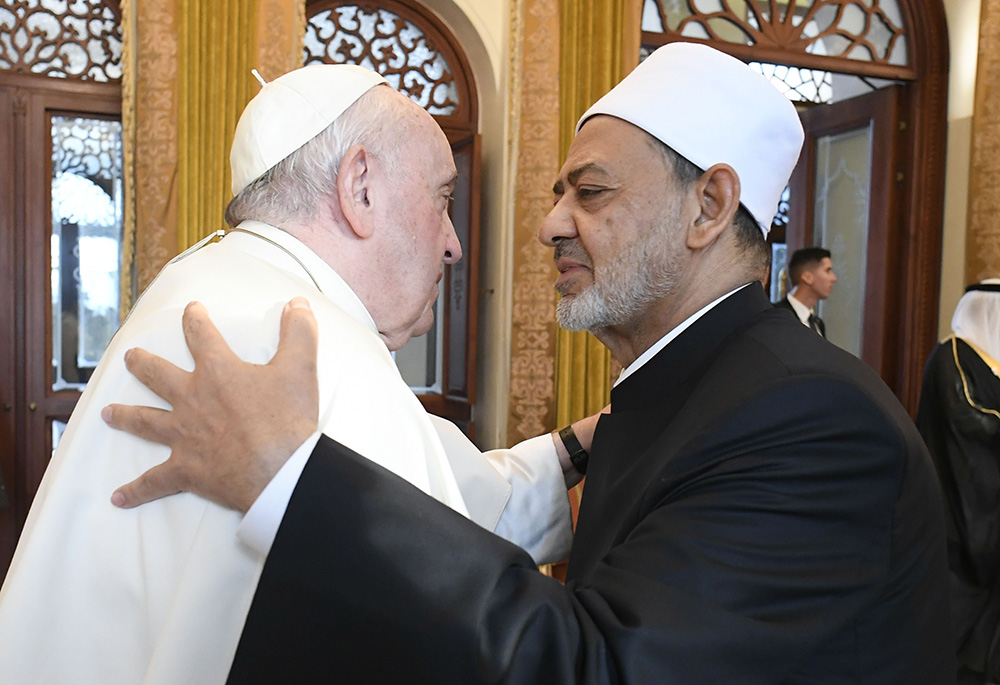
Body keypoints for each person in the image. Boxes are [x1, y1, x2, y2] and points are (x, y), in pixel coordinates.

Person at [105, 43, 953, 682]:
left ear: (709, 206)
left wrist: (286, 476)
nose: (548, 224)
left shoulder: (808, 417)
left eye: (589, 193)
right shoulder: (692, 392)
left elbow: (599, 663)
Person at [0, 65, 582, 684]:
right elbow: (427, 593)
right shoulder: (307, 344)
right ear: (360, 188)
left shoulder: (210, 286)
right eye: (442, 200)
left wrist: (575, 447)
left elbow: (435, 513)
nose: (452, 244)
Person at [917, 279, 1000, 684]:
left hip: (986, 495)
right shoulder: (950, 355)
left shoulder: (989, 360)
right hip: (959, 493)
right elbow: (969, 419)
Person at [774, 246, 837, 337]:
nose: (834, 278)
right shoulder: (777, 317)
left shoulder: (817, 323)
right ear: (807, 277)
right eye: (827, 271)